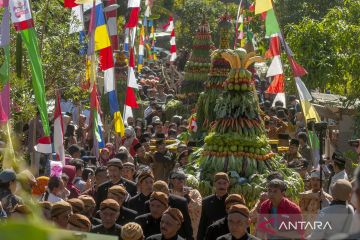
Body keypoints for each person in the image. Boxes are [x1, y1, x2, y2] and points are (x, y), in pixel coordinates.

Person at [169, 169, 202, 239]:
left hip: (191, 229)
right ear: (172, 180)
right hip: (173, 229)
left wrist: (187, 197)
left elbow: (198, 207)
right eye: (178, 178)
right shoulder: (169, 194)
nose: (181, 180)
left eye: (183, 178)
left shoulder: (194, 193)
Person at [197, 172, 230, 240]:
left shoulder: (232, 201)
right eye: (219, 183)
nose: (222, 186)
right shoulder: (206, 201)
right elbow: (202, 223)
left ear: (228, 184)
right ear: (214, 184)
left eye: (224, 183)